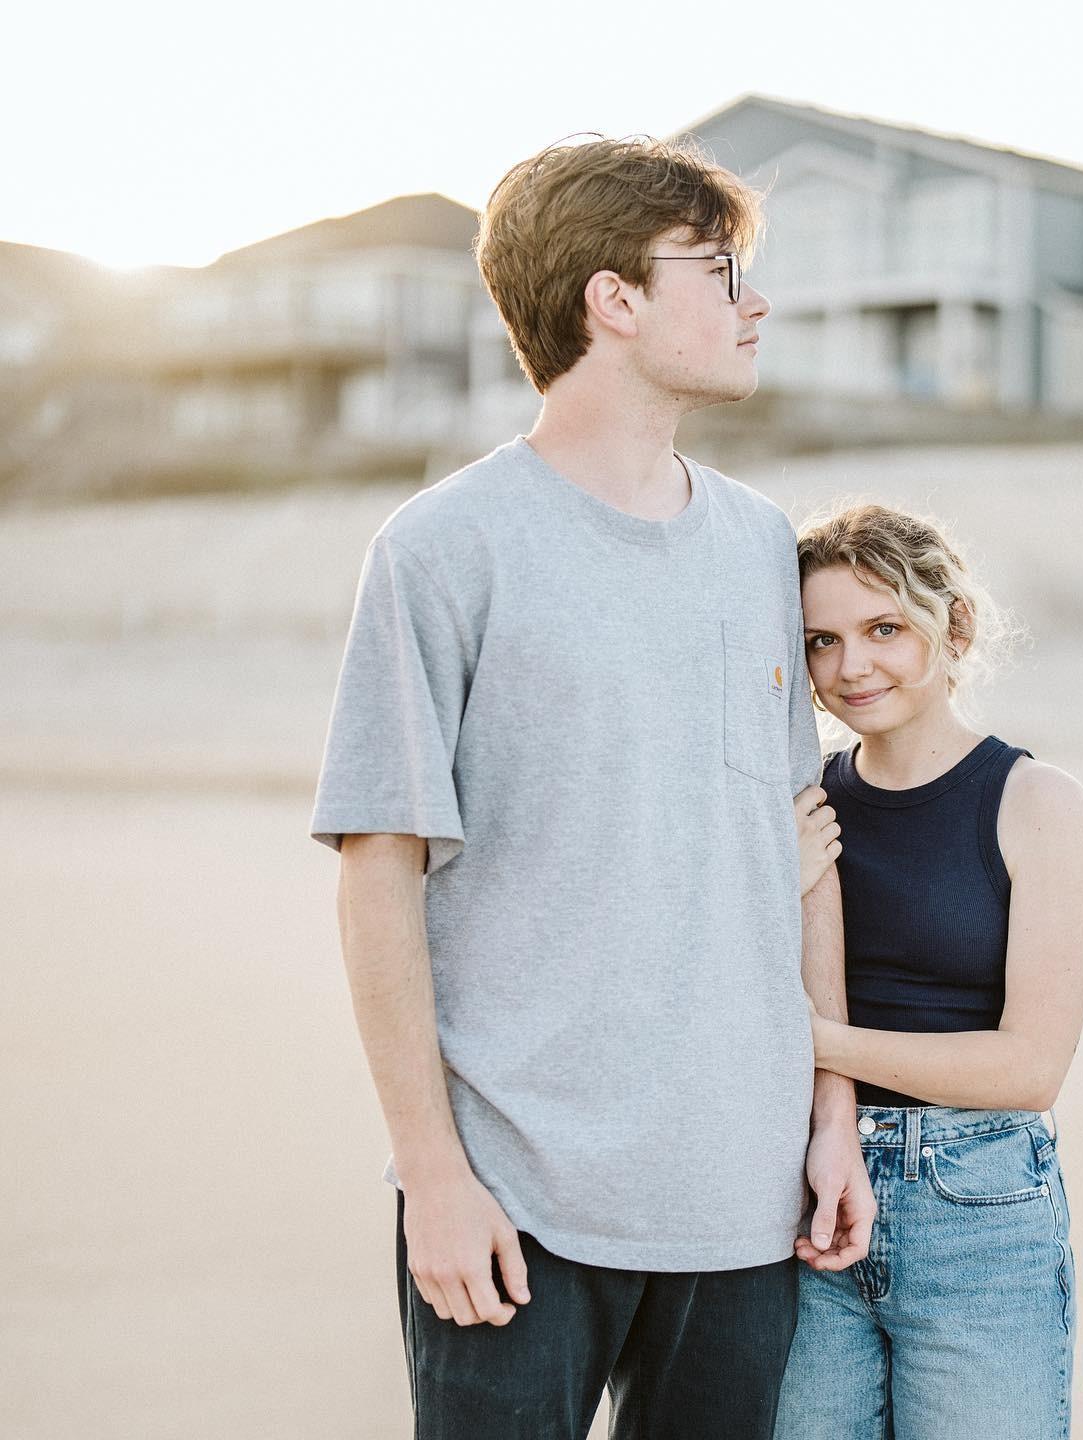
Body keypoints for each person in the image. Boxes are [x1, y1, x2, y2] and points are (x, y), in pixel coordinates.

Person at [308, 135, 875, 1440]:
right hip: (516, 1195)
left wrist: (830, 1118)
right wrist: (435, 1179)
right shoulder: (444, 548)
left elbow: (805, 853)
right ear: (613, 299)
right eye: (721, 269)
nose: (756, 302)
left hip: (744, 1202)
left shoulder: (755, 548)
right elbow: (378, 875)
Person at [778, 504, 1083, 1440]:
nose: (851, 667)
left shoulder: (1036, 804)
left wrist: (818, 1043)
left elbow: (1030, 1068)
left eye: (885, 629)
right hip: (803, 1202)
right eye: (822, 640)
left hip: (980, 1209)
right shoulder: (801, 805)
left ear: (953, 627)